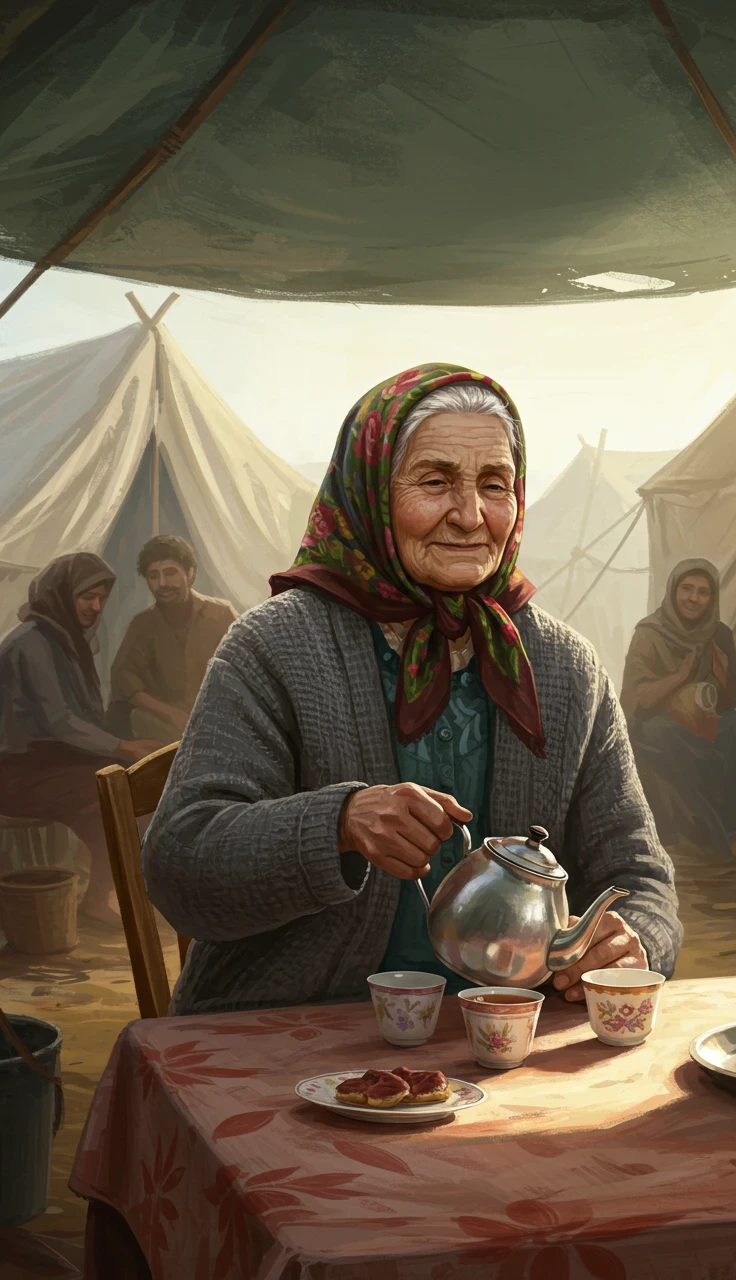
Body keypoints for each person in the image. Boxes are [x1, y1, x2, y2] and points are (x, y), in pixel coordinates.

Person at [143, 364, 682, 1016]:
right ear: (371, 491)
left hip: (505, 1040)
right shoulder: (277, 646)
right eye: (435, 482)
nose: (470, 515)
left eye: (495, 484)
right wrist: (339, 823)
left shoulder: (565, 668)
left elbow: (639, 877)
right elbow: (181, 865)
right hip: (294, 1028)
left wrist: (633, 941)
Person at [0, 553, 160, 924]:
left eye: (102, 598)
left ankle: (109, 888)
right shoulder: (32, 642)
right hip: (15, 773)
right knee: (107, 793)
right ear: (60, 594)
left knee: (128, 783)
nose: (96, 607)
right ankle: (99, 898)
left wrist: (122, 749)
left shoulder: (63, 638)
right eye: (87, 596)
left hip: (49, 762)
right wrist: (124, 746)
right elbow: (60, 721)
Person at [620, 559, 736, 857]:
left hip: (701, 716)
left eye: (703, 592)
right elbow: (636, 700)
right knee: (673, 739)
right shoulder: (649, 632)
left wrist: (722, 673)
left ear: (712, 598)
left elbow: (730, 701)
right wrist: (680, 677)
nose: (694, 598)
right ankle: (713, 837)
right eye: (687, 589)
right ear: (673, 591)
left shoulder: (719, 633)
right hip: (654, 720)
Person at [110, 535, 238, 743]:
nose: (162, 584)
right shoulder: (142, 624)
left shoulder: (222, 614)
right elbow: (123, 677)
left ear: (190, 574)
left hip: (219, 722)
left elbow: (243, 672)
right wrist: (170, 714)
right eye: (153, 576)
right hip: (166, 728)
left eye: (171, 573)